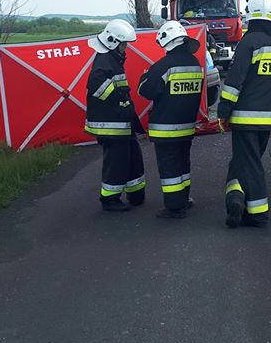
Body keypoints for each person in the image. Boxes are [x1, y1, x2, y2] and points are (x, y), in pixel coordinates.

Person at [217, 0, 271, 228]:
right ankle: (237, 198)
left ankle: (258, 212)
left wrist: (223, 111)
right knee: (246, 161)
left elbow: (233, 82)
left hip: (245, 117)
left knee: (249, 163)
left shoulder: (249, 42)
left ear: (249, 16)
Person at [138, 21, 204, 219]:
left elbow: (146, 91)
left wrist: (145, 78)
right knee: (183, 164)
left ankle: (175, 207)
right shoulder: (194, 64)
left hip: (166, 128)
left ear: (166, 42)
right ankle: (184, 198)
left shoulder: (163, 66)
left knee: (170, 167)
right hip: (187, 126)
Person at [85, 19, 146, 212]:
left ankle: (136, 194)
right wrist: (118, 96)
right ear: (113, 41)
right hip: (111, 124)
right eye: (123, 44)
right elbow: (96, 86)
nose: (125, 47)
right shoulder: (104, 62)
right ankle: (109, 199)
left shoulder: (112, 59)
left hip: (120, 121)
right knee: (117, 162)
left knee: (132, 157)